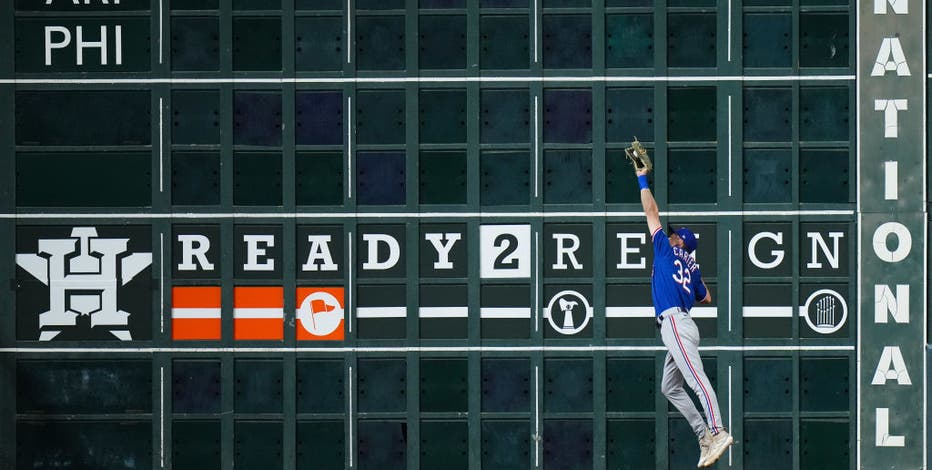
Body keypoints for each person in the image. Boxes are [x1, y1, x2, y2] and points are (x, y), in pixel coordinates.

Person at [633, 165, 734, 467]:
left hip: (675, 323)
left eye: (676, 235)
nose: (671, 234)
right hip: (682, 323)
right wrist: (691, 276)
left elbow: (651, 212)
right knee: (670, 386)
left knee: (695, 378)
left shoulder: (665, 249)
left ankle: (717, 431)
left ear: (679, 242)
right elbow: (706, 296)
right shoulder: (694, 269)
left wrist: (642, 178)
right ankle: (704, 435)